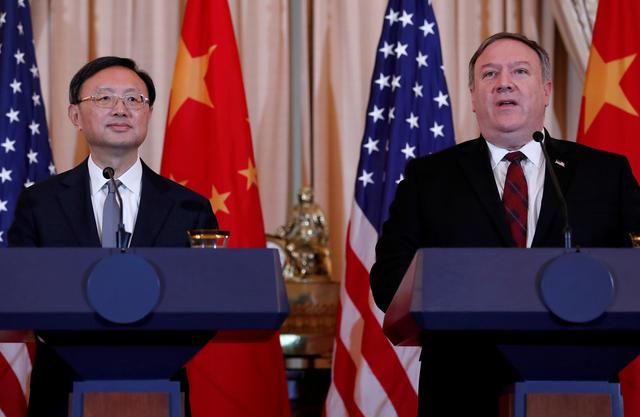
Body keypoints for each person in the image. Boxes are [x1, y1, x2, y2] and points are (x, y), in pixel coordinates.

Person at [370, 32, 640, 417]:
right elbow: (389, 280)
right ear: (473, 96)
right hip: (461, 386)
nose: (504, 83)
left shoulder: (605, 174)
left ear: (546, 91)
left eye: (520, 71)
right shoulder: (428, 178)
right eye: (489, 74)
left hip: (576, 383)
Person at [8, 57, 217, 417]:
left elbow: (209, 299)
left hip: (159, 390)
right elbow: (21, 290)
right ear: (75, 115)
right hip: (61, 393)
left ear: (148, 114)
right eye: (104, 98)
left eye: (134, 99)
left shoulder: (189, 207)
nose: (121, 109)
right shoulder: (39, 203)